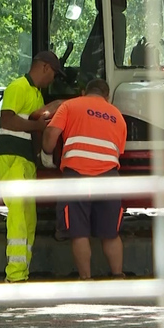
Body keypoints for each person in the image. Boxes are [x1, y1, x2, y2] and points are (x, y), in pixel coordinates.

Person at [40, 78, 127, 279]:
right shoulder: (117, 116)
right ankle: (117, 276)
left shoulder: (70, 105)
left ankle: (86, 279)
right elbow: (117, 151)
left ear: (82, 92)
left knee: (79, 232)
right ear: (107, 97)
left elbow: (51, 133)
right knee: (111, 234)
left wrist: (46, 154)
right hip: (109, 179)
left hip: (77, 176)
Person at [0, 50, 64, 283]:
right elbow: (7, 119)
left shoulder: (35, 95)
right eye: (53, 74)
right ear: (44, 67)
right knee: (18, 217)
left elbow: (34, 125)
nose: (53, 79)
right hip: (11, 157)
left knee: (28, 218)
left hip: (24, 161)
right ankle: (15, 276)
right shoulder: (18, 87)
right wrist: (39, 128)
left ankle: (21, 272)